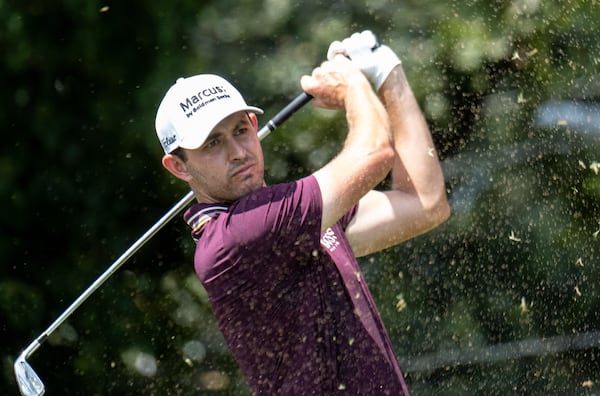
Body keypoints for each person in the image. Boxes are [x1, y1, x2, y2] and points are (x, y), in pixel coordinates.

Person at [155, 31, 449, 395]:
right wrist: (353, 83)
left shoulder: (295, 216)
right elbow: (374, 153)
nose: (237, 152)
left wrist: (387, 71)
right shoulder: (231, 240)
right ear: (179, 167)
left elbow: (425, 203)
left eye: (240, 130)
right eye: (213, 143)